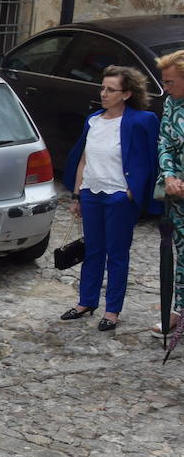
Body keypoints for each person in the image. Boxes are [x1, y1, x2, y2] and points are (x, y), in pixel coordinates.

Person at [61, 66, 160, 331]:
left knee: (117, 254)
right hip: (91, 193)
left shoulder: (142, 120)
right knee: (93, 251)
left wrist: (132, 191)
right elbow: (84, 158)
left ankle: (112, 310)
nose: (103, 94)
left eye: (110, 89)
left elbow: (150, 159)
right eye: (102, 88)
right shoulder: (93, 120)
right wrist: (77, 194)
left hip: (118, 196)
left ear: (126, 93)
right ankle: (86, 302)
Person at [155, 50, 184, 336]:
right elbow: (164, 142)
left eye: (171, 82)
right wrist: (170, 175)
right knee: (181, 253)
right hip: (177, 196)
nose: (166, 87)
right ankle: (178, 310)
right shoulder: (170, 104)